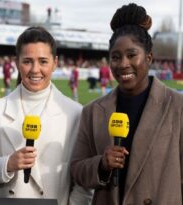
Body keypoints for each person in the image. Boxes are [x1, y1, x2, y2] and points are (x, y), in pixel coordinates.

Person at [70, 3, 183, 205]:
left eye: (132, 55)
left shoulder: (177, 106)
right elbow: (77, 169)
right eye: (115, 57)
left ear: (149, 58)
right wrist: (101, 164)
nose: (123, 64)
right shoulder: (93, 112)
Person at [0, 26, 92, 205]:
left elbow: (83, 181)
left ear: (55, 63)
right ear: (16, 62)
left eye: (43, 61)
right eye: (28, 61)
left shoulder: (75, 113)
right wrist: (7, 164)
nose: (35, 69)